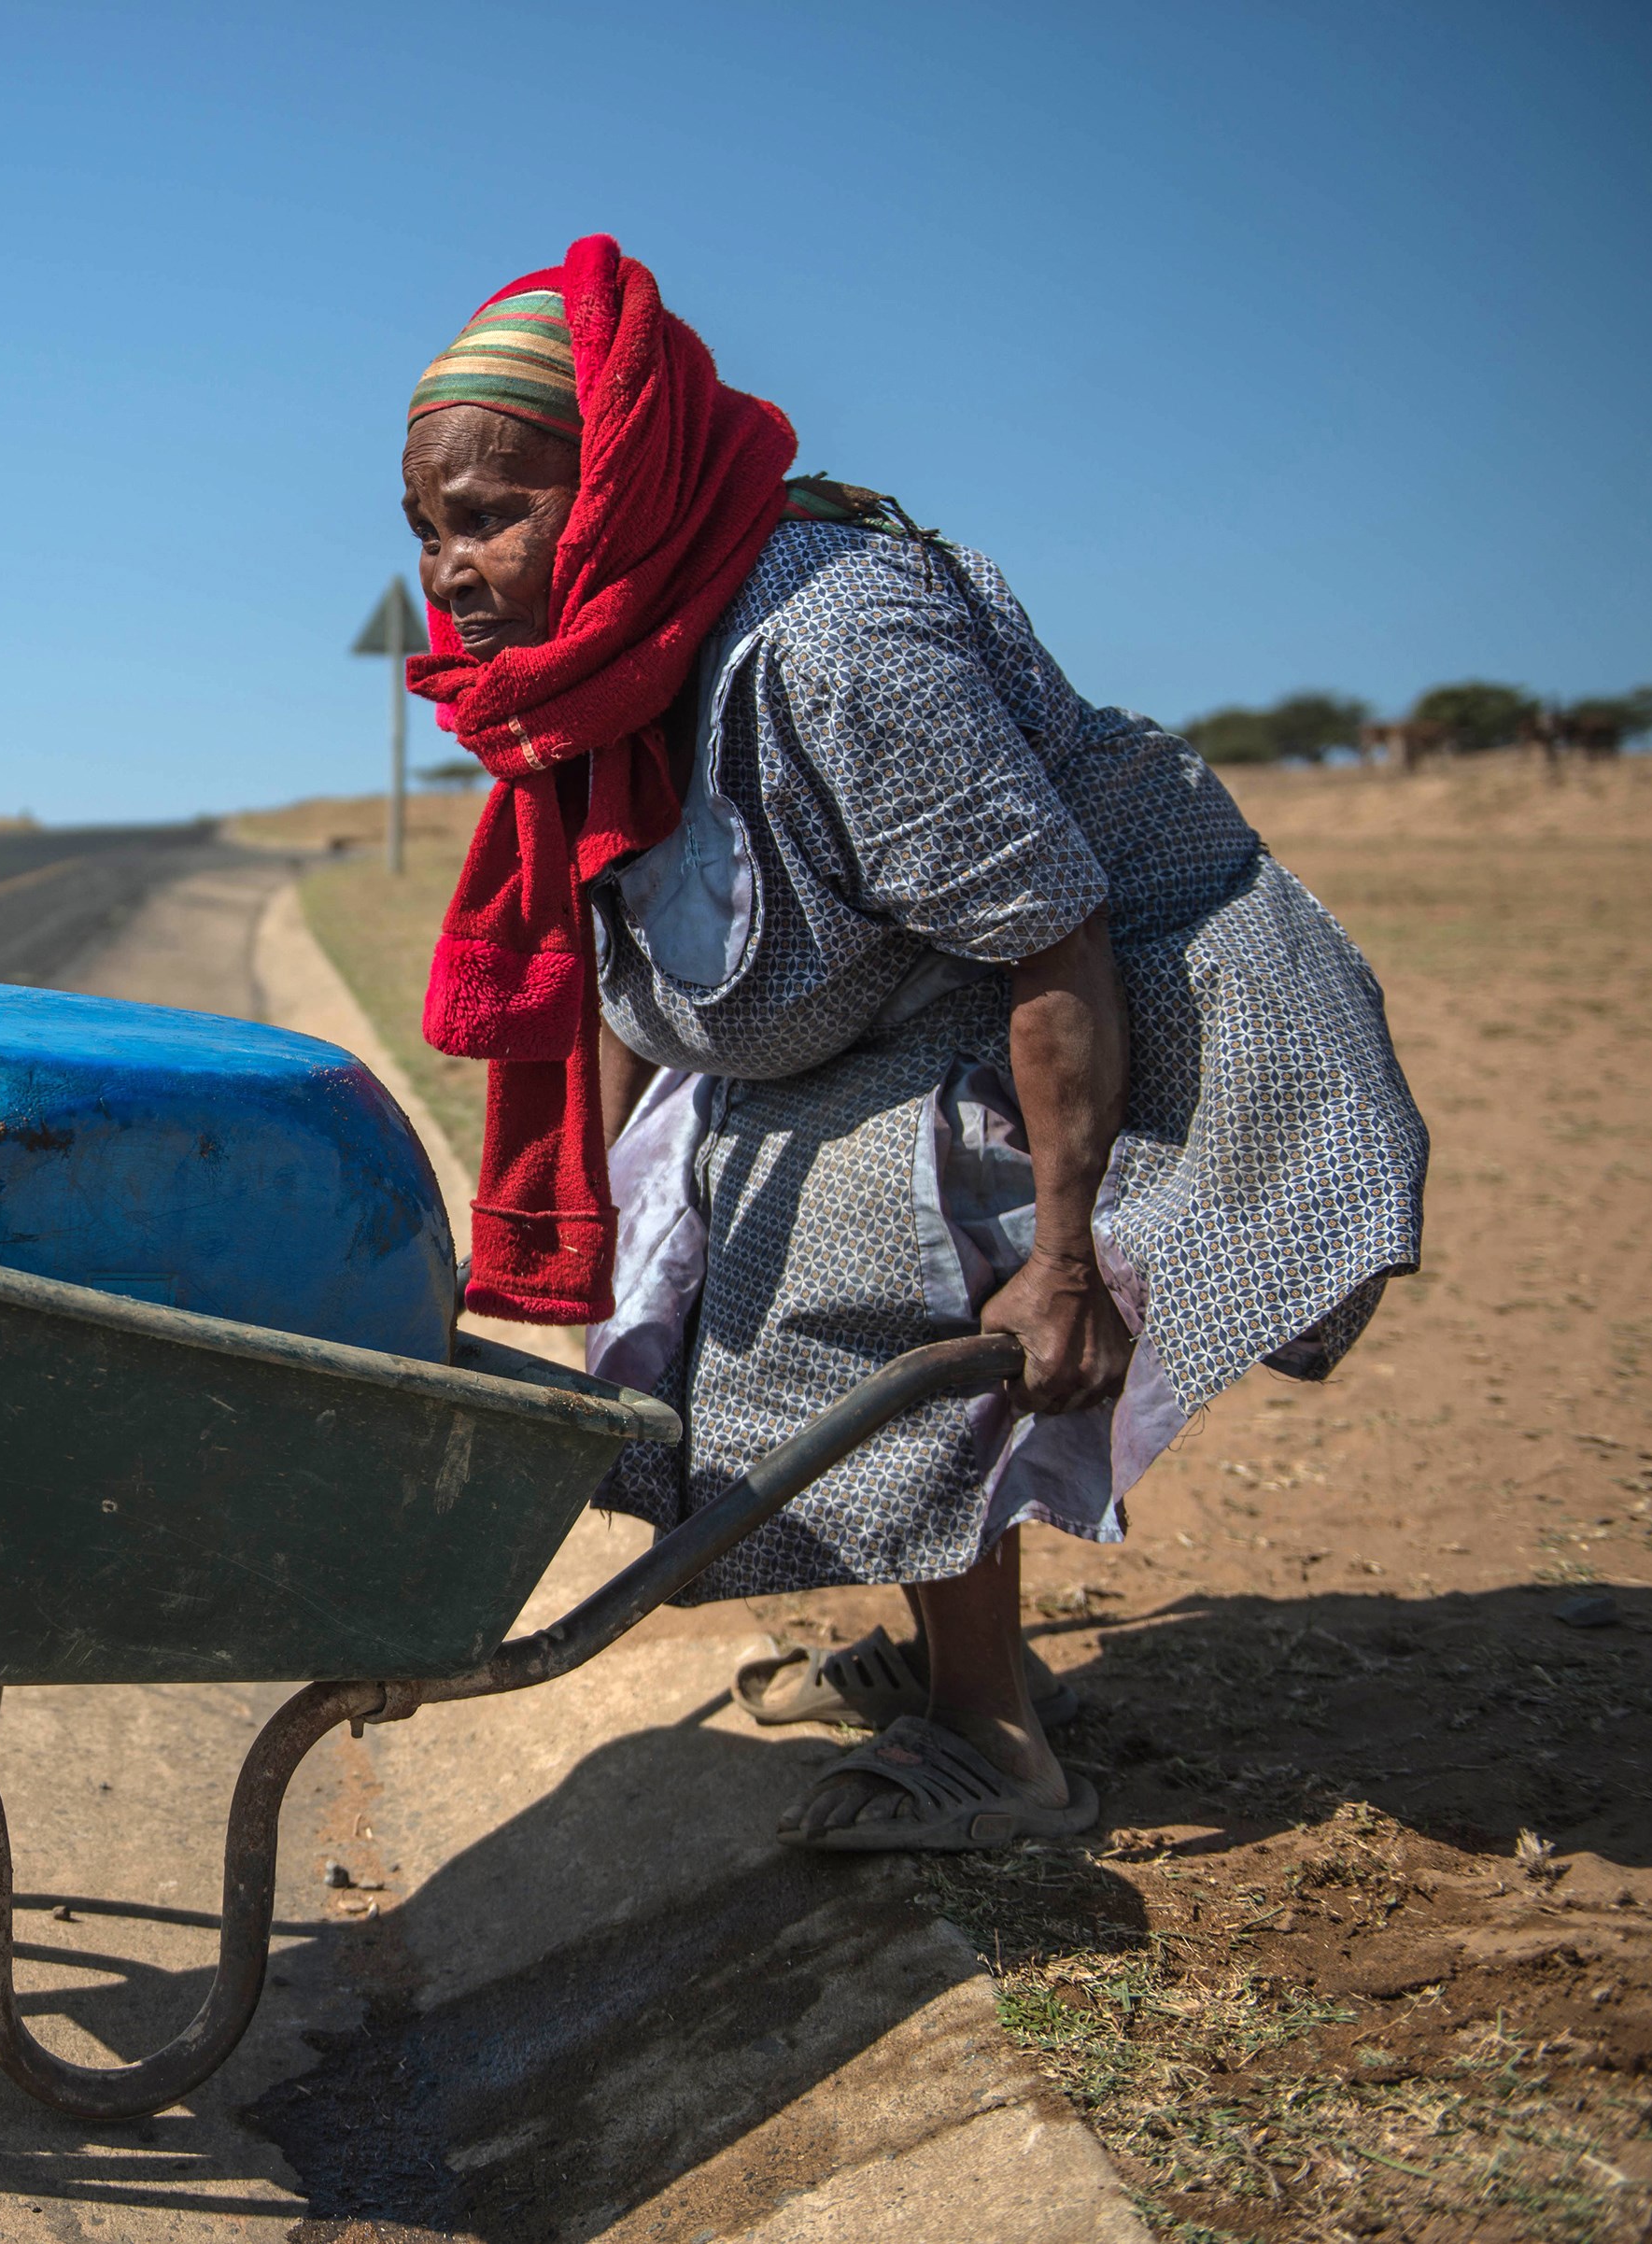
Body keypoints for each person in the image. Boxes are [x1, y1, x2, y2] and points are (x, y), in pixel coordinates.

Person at [397, 238, 1426, 1852]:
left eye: (492, 514)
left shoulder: (834, 638)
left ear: (613, 489)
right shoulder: (603, 664)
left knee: (870, 1246)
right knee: (729, 1224)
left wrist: (1067, 1259)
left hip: (1112, 1005)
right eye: (428, 529)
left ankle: (997, 1744)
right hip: (884, 1011)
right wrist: (579, 1221)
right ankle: (965, 1648)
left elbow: (1048, 929)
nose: (451, 570)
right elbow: (617, 954)